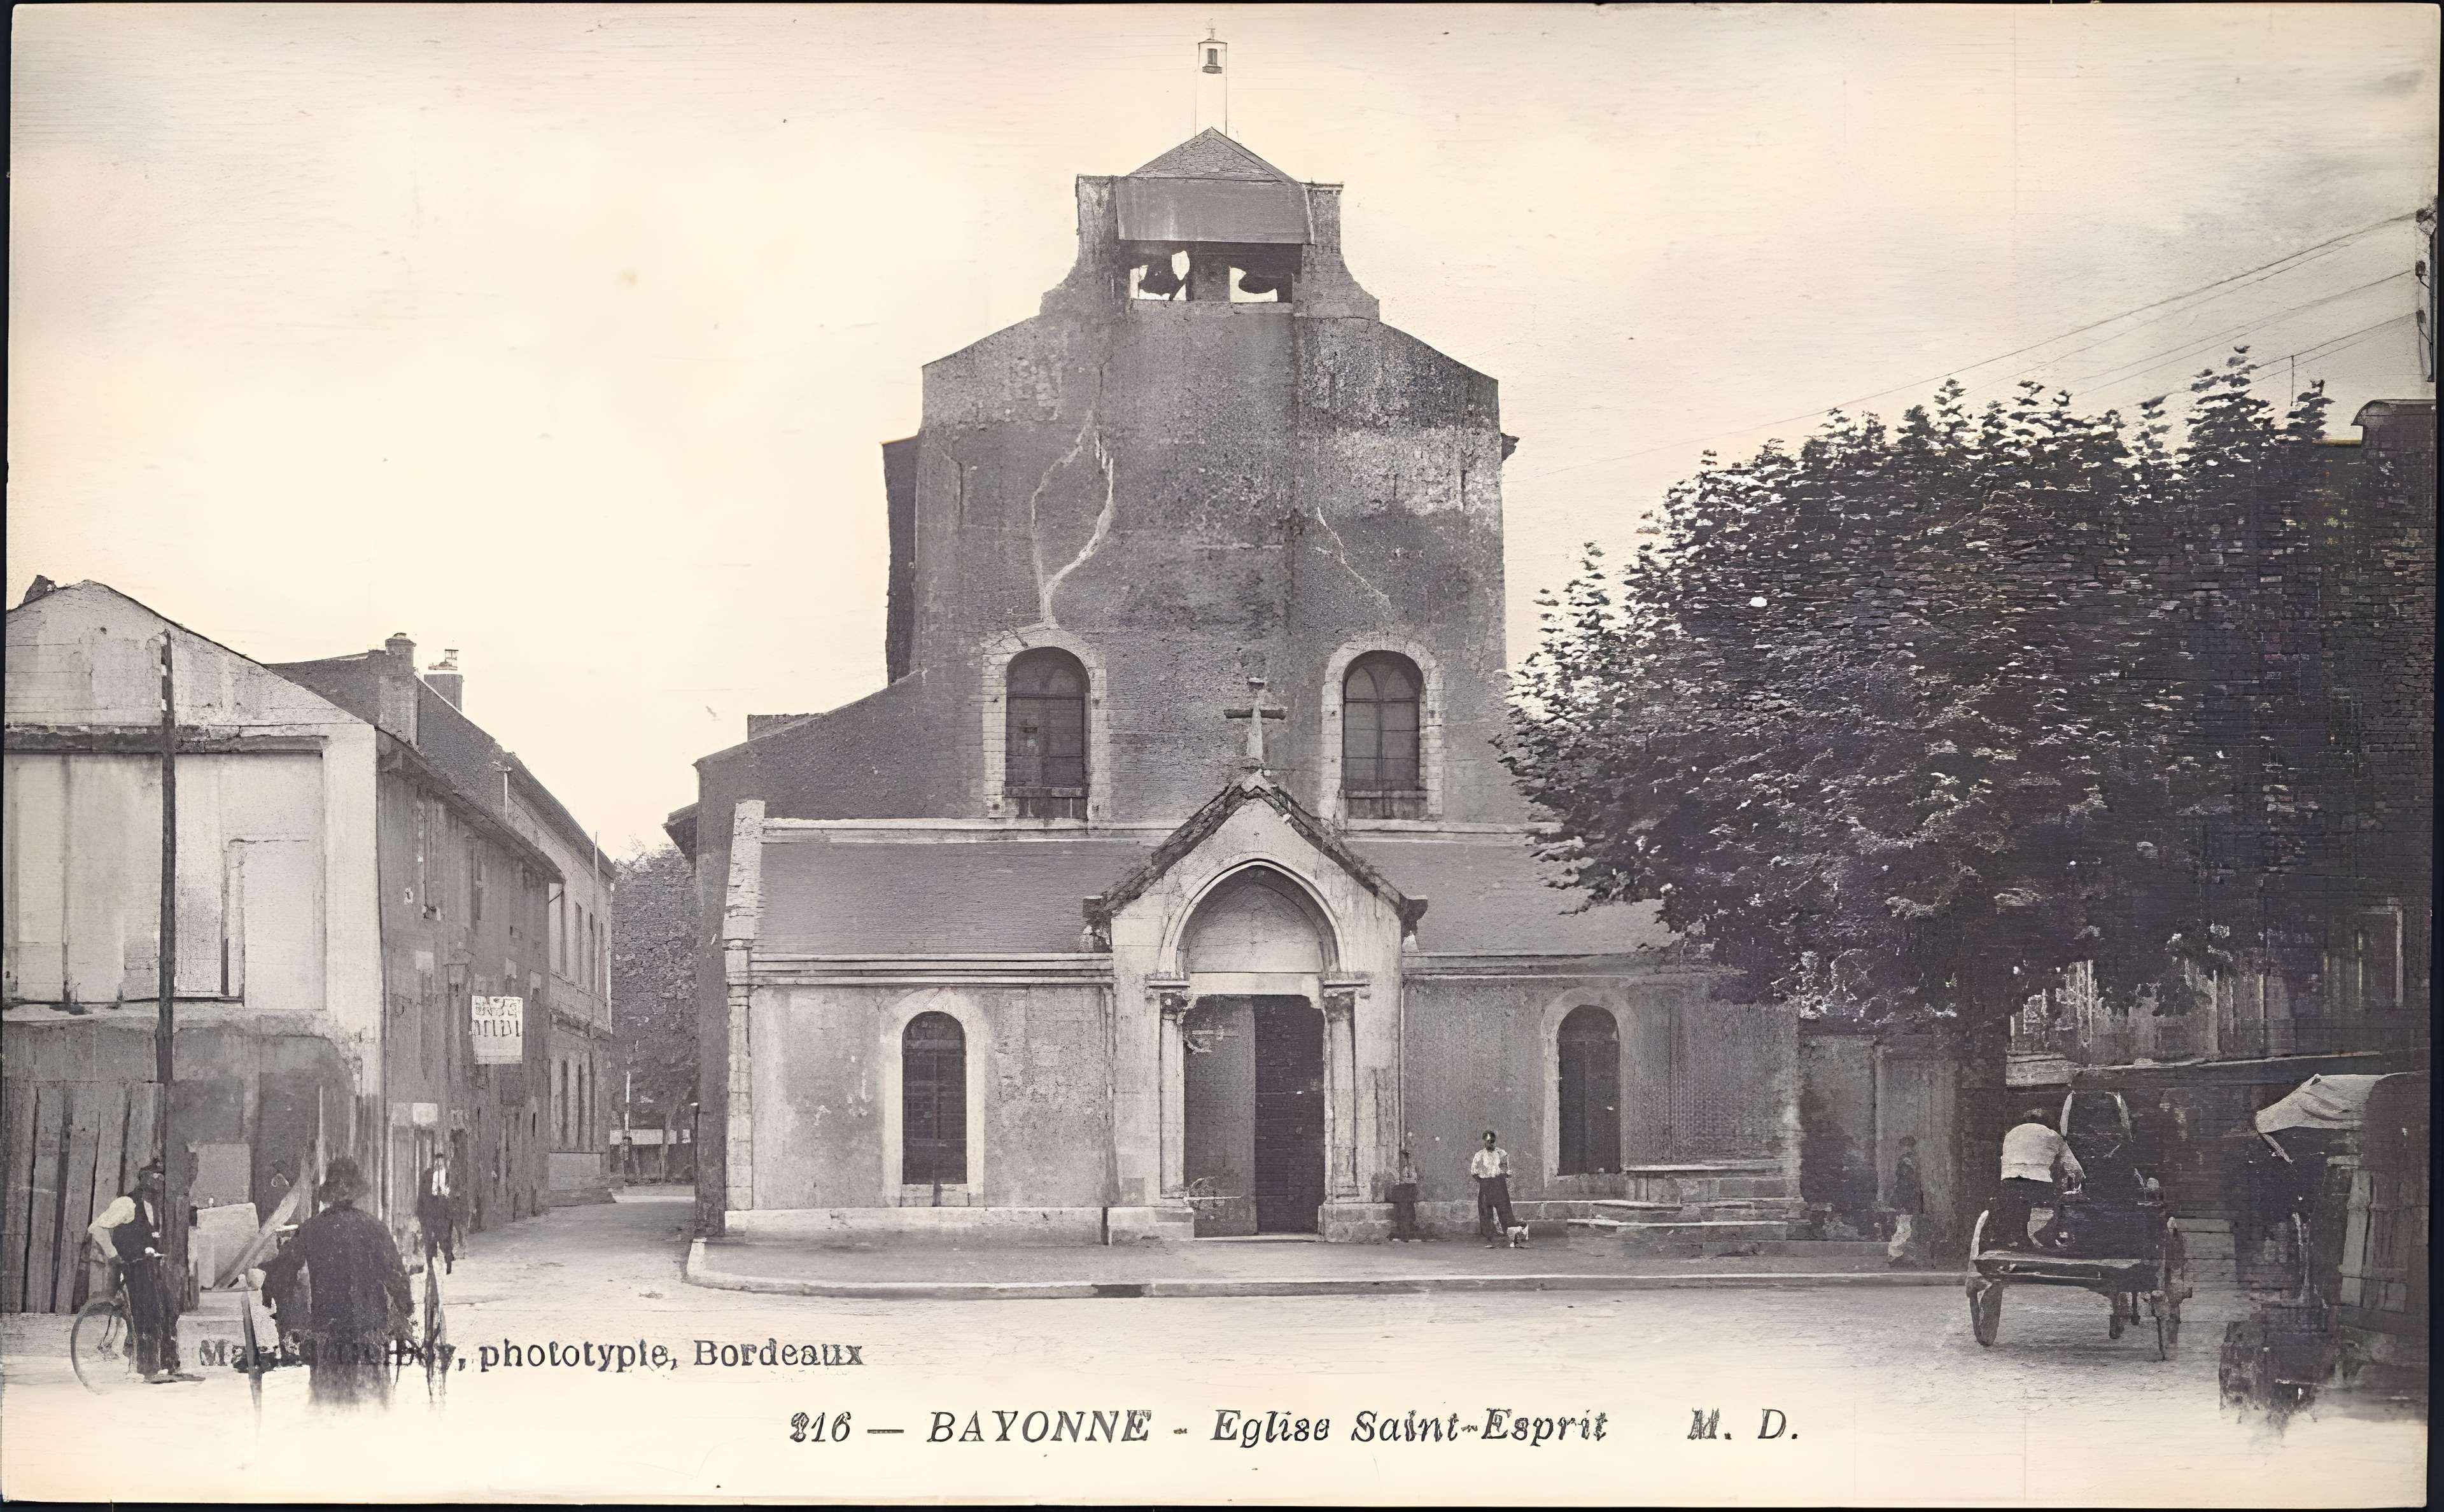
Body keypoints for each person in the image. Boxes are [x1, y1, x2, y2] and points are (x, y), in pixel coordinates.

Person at [260, 1156, 412, 1411]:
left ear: (328, 1193)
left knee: (329, 1403)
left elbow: (281, 1274)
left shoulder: (311, 1229)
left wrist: (272, 1294)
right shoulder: (374, 1228)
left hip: (329, 1331)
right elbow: (396, 1276)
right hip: (370, 1329)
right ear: (356, 1192)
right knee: (372, 1404)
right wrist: (405, 1307)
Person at [104, 1163, 200, 1383]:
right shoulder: (128, 1203)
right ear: (143, 1179)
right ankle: (147, 1368)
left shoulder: (159, 1205)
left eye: (161, 1177)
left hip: (155, 1267)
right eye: (154, 1177)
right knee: (146, 1314)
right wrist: (138, 1250)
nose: (159, 1181)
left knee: (168, 1310)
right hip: (135, 1266)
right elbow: (117, 1236)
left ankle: (169, 1366)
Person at [1993, 1106, 2084, 1252]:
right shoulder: (2052, 1135)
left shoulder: (2011, 1134)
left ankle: (2022, 1239)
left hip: (2010, 1180)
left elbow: (2004, 1158)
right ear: (2047, 1121)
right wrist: (2080, 1178)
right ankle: (2047, 1232)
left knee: (2021, 1206)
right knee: (2062, 1202)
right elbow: (2071, 1165)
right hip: (2037, 1180)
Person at [1468, 1130, 1516, 1247]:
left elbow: (1507, 1170)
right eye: (1488, 1142)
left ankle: (1510, 1234)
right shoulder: (1479, 1155)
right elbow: (1474, 1172)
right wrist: (1483, 1182)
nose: (1491, 1144)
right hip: (1486, 1184)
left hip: (1499, 1183)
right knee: (1485, 1210)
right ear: (1485, 1142)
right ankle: (1488, 1236)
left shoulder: (1502, 1153)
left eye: (1493, 1142)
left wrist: (1502, 1176)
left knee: (1504, 1209)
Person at [1886, 1136, 1925, 1266]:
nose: (1909, 1149)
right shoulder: (1906, 1161)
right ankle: (1895, 1255)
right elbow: (1905, 1181)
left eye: (1911, 1146)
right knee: (1904, 1226)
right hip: (1905, 1196)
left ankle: (1897, 1254)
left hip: (1908, 1196)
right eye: (1907, 1146)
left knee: (1906, 1226)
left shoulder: (1909, 1160)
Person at [417, 1152, 456, 1275]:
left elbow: (453, 1195)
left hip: (444, 1214)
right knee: (430, 1240)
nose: (438, 1164)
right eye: (436, 1161)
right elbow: (422, 1195)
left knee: (445, 1239)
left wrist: (450, 1208)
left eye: (441, 1162)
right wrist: (421, 1213)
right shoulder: (427, 1176)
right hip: (430, 1213)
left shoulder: (449, 1176)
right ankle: (430, 1265)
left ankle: (448, 1265)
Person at [1389, 1150, 1421, 1242]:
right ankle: (1405, 1234)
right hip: (1404, 1193)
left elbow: (1413, 1180)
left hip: (1407, 1192)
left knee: (1406, 1214)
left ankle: (1406, 1235)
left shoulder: (1410, 1168)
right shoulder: (1405, 1168)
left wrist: (1404, 1180)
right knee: (1404, 1213)